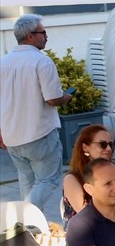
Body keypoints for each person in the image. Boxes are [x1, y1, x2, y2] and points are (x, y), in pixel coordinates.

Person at [0, 14, 72, 220]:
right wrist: (65, 97)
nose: (46, 36)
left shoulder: (2, 61)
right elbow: (52, 99)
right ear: (31, 36)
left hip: (12, 135)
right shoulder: (42, 62)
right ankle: (23, 220)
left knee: (26, 181)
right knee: (47, 180)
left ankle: (31, 228)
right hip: (39, 133)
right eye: (43, 32)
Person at [63, 125, 115, 224]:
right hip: (86, 234)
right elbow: (85, 214)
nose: (109, 149)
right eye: (102, 144)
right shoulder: (72, 179)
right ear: (85, 147)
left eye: (110, 144)